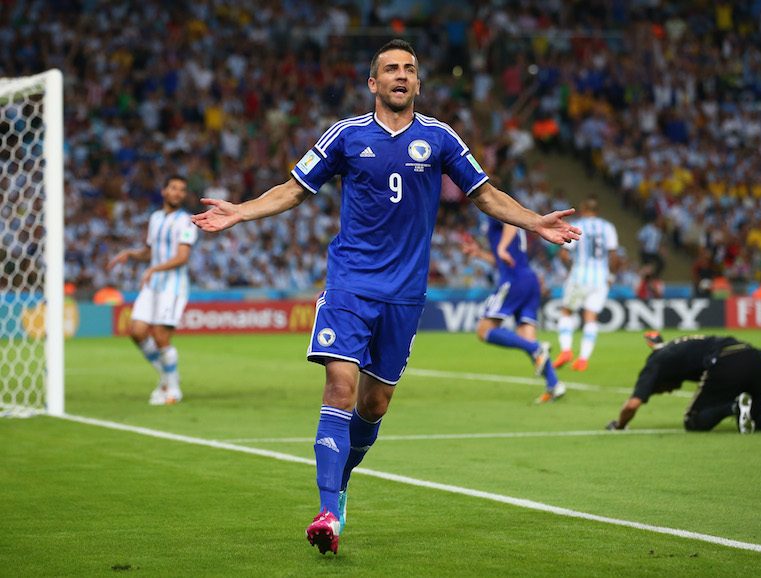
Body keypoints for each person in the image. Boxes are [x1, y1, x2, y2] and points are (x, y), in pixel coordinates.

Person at [191, 39, 581, 555]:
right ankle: (327, 511)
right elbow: (294, 187)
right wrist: (241, 210)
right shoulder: (346, 135)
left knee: (374, 404)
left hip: (405, 293)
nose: (401, 75)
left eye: (409, 69)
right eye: (391, 69)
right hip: (351, 283)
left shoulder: (439, 138)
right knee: (340, 386)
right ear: (373, 82)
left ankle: (342, 481)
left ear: (417, 83)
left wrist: (535, 222)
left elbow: (484, 194)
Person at [107, 176, 197, 405]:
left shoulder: (186, 222)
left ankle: (173, 390)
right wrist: (130, 253)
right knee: (136, 331)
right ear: (164, 191)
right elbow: (150, 251)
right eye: (173, 188)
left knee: (160, 336)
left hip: (173, 287)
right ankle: (167, 375)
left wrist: (154, 269)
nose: (178, 193)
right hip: (153, 284)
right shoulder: (155, 218)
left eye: (182, 190)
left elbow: (182, 257)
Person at [462, 215, 566, 404]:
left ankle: (536, 348)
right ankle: (554, 384)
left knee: (484, 330)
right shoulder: (507, 212)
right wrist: (480, 254)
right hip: (528, 278)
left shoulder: (496, 208)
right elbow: (502, 260)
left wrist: (501, 248)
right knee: (526, 336)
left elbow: (510, 222)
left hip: (514, 280)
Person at [606, 332, 761, 435]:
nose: (667, 392)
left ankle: (734, 406)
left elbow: (632, 405)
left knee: (693, 421)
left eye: (661, 390)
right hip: (760, 361)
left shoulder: (655, 362)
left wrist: (619, 425)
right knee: (752, 416)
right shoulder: (679, 347)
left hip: (727, 361)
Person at [552, 196, 619, 371]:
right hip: (601, 278)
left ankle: (566, 350)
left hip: (579, 277)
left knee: (567, 312)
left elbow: (564, 255)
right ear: (597, 211)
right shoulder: (608, 227)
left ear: (582, 210)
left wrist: (572, 270)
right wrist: (611, 276)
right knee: (591, 317)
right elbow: (614, 256)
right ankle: (583, 359)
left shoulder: (577, 225)